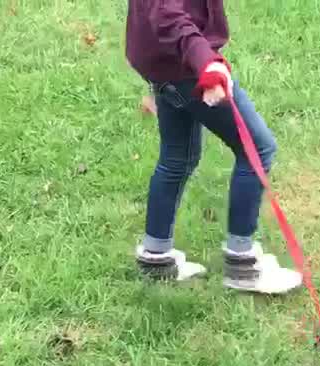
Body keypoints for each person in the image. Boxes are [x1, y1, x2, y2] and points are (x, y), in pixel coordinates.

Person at [126, 0, 303, 294]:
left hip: (167, 64)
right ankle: (243, 264)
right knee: (257, 149)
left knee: (177, 158)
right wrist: (206, 62)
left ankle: (156, 257)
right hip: (187, 67)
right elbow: (167, 13)